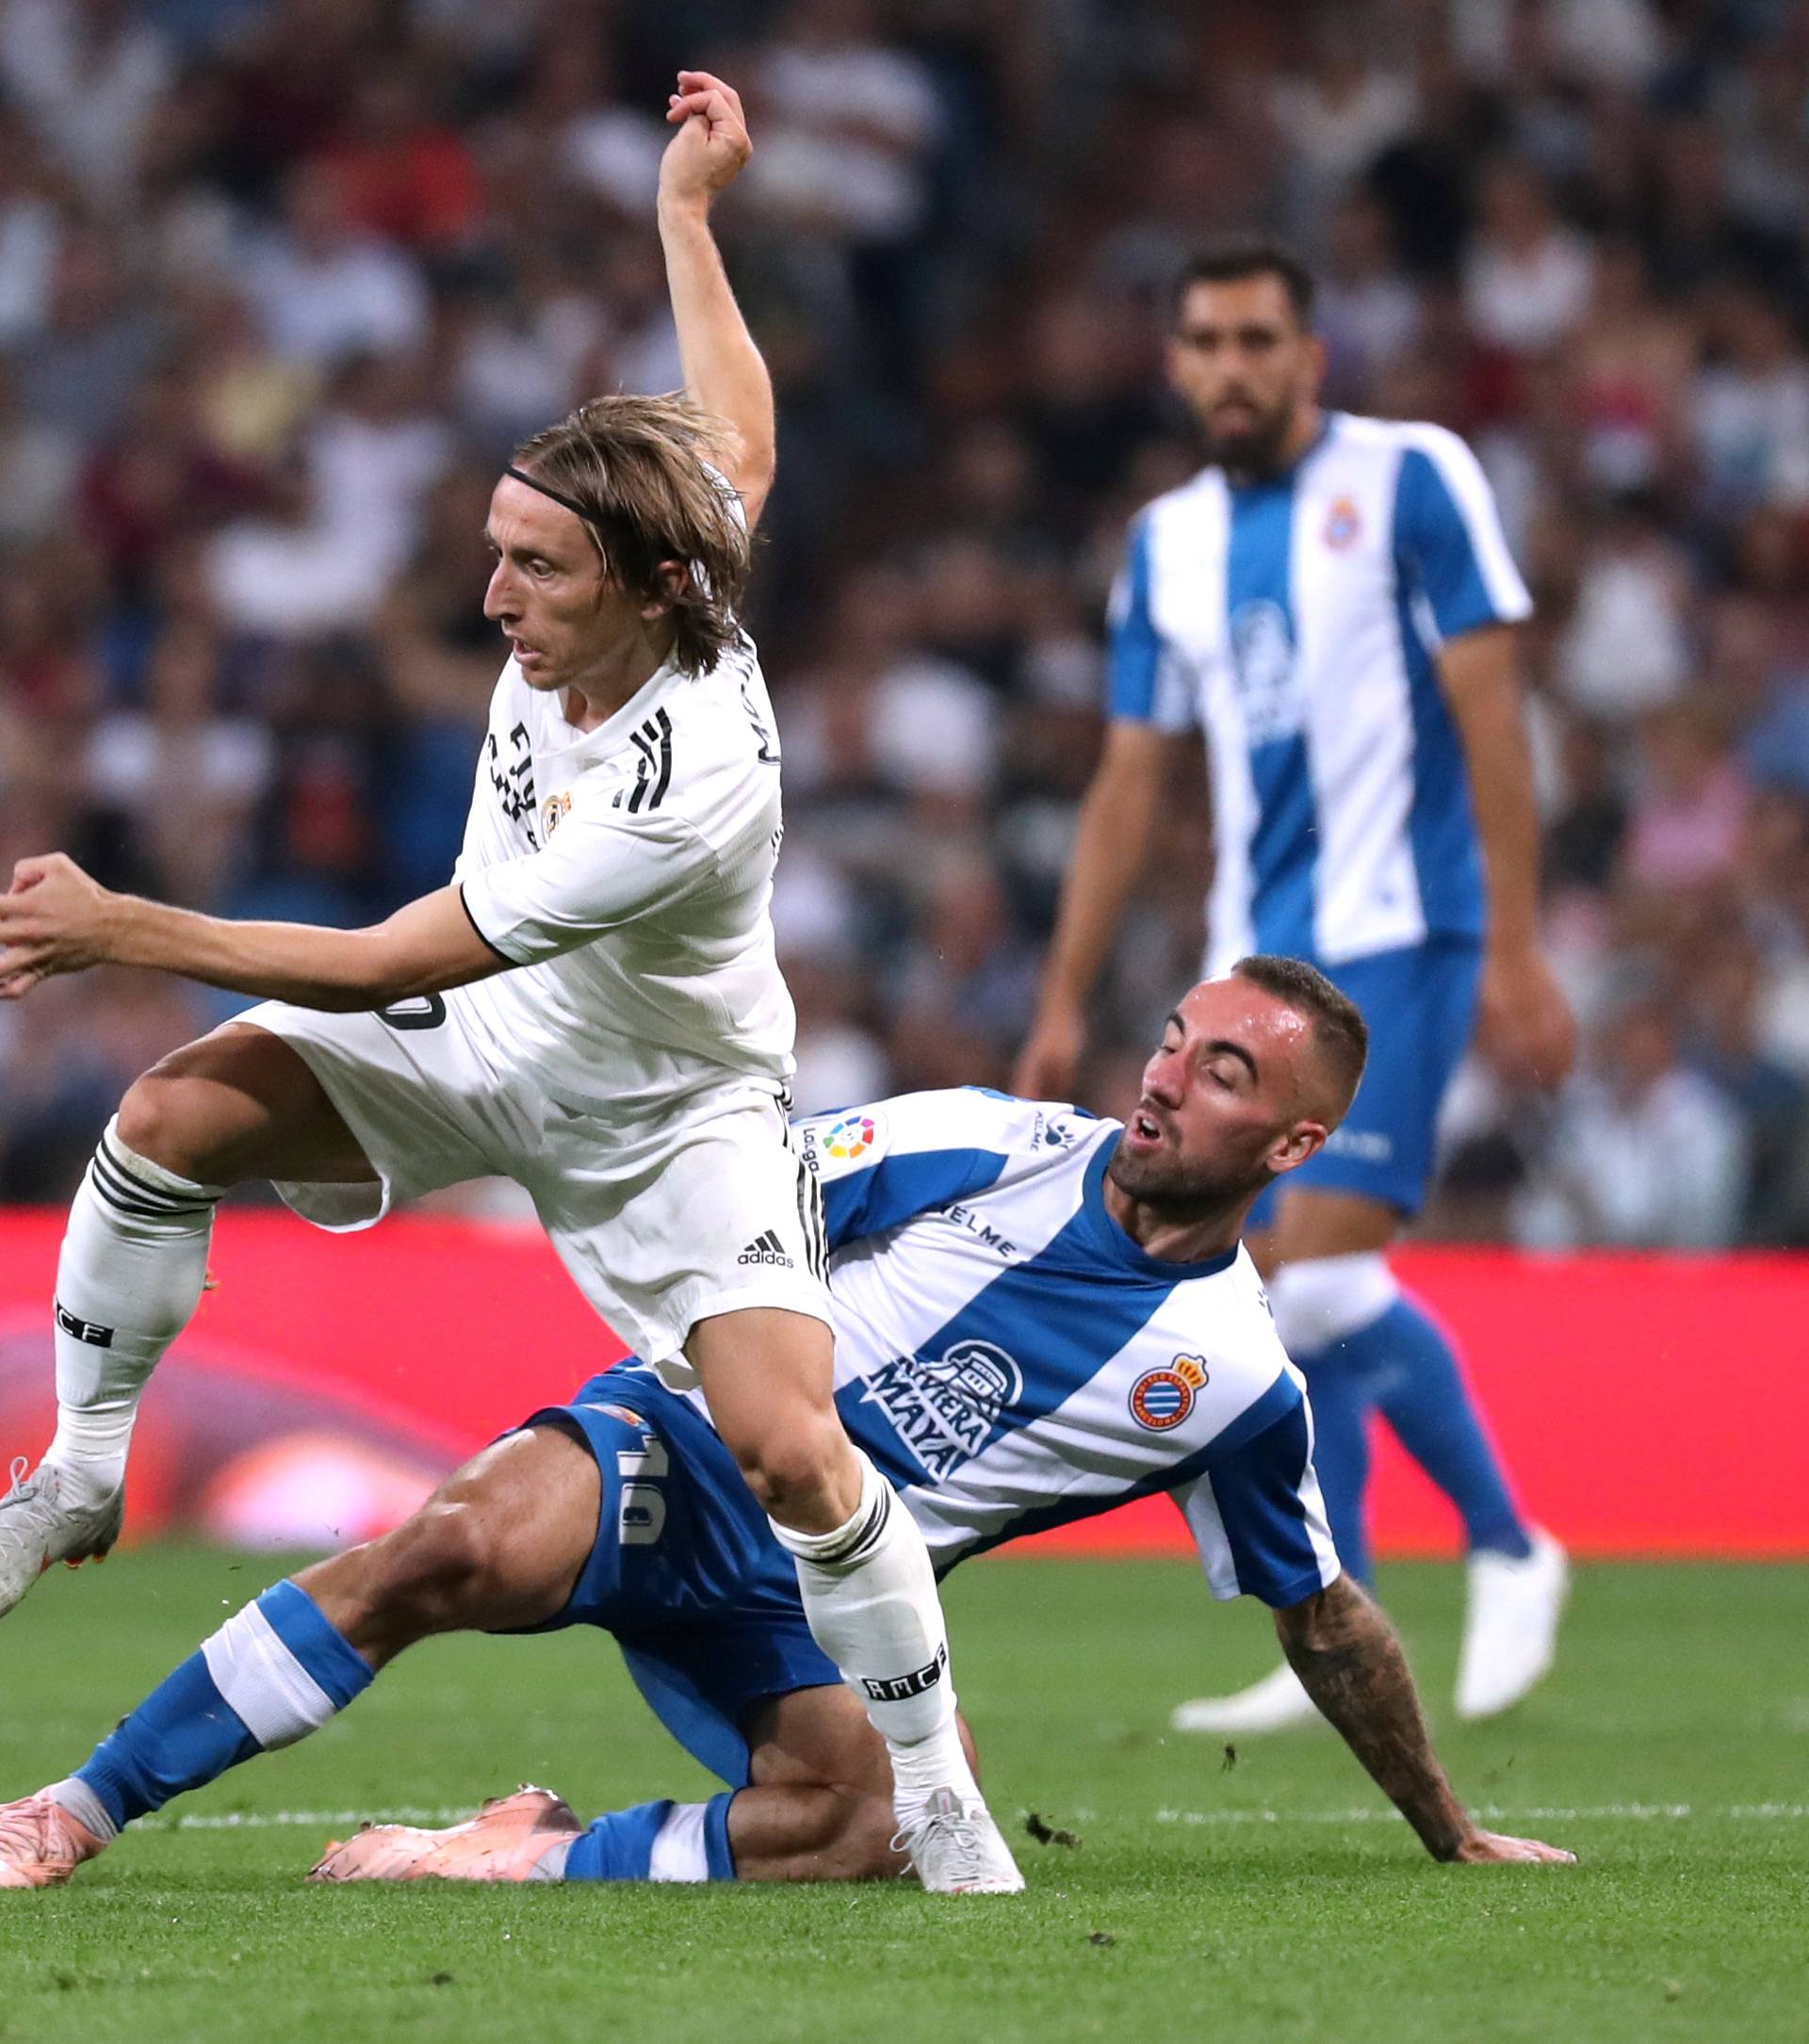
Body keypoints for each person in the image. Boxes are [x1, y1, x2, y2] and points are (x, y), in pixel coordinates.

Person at [0, 73, 1017, 1893]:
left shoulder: (688, 771)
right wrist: (687, 218)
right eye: (495, 548)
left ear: (641, 585)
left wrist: (124, 926)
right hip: (489, 1045)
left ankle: (936, 1792)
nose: (492, 597)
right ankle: (80, 1467)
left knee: (794, 1447)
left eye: (534, 565)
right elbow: (743, 441)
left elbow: (415, 944)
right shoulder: (661, 566)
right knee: (166, 1120)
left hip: (670, 1116)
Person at [0, 961, 1575, 1890]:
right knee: (449, 1543)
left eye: (1222, 1072)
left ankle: (515, 1848)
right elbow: (746, 1199)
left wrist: (1449, 1828)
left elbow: (1324, 1610)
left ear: (1295, 1140)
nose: (1166, 1079)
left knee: (870, 1826)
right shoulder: (983, 1141)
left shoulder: (1236, 1376)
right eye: (1173, 1036)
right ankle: (72, 1812)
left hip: (814, 1597)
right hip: (678, 1450)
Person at [1015, 238, 1577, 1733]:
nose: (1233, 366)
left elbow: (1492, 708)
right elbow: (1131, 780)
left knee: (1314, 1276)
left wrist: (1517, 940)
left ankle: (1515, 1544)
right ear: (1177, 362)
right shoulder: (1168, 544)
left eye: (1261, 338)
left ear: (1311, 354)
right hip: (1257, 961)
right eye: (1205, 340)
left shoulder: (1411, 478)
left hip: (1406, 929)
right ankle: (1344, 1603)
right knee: (1281, 1296)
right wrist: (1066, 996)